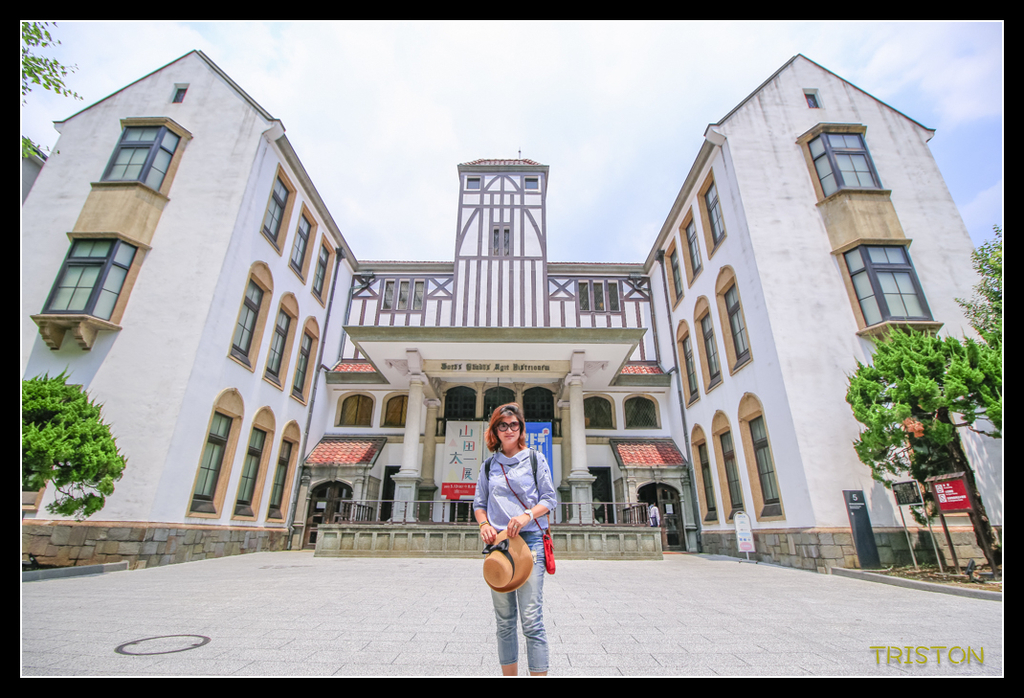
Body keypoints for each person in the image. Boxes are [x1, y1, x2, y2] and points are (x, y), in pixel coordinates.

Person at [474, 403, 558, 676]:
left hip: (531, 541)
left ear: (521, 428)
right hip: (498, 546)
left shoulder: (535, 458)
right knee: (504, 621)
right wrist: (484, 524)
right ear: (495, 430)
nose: (509, 429)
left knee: (532, 619)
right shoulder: (489, 466)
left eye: (514, 425)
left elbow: (549, 499)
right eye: (503, 425)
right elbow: (479, 503)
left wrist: (525, 516)